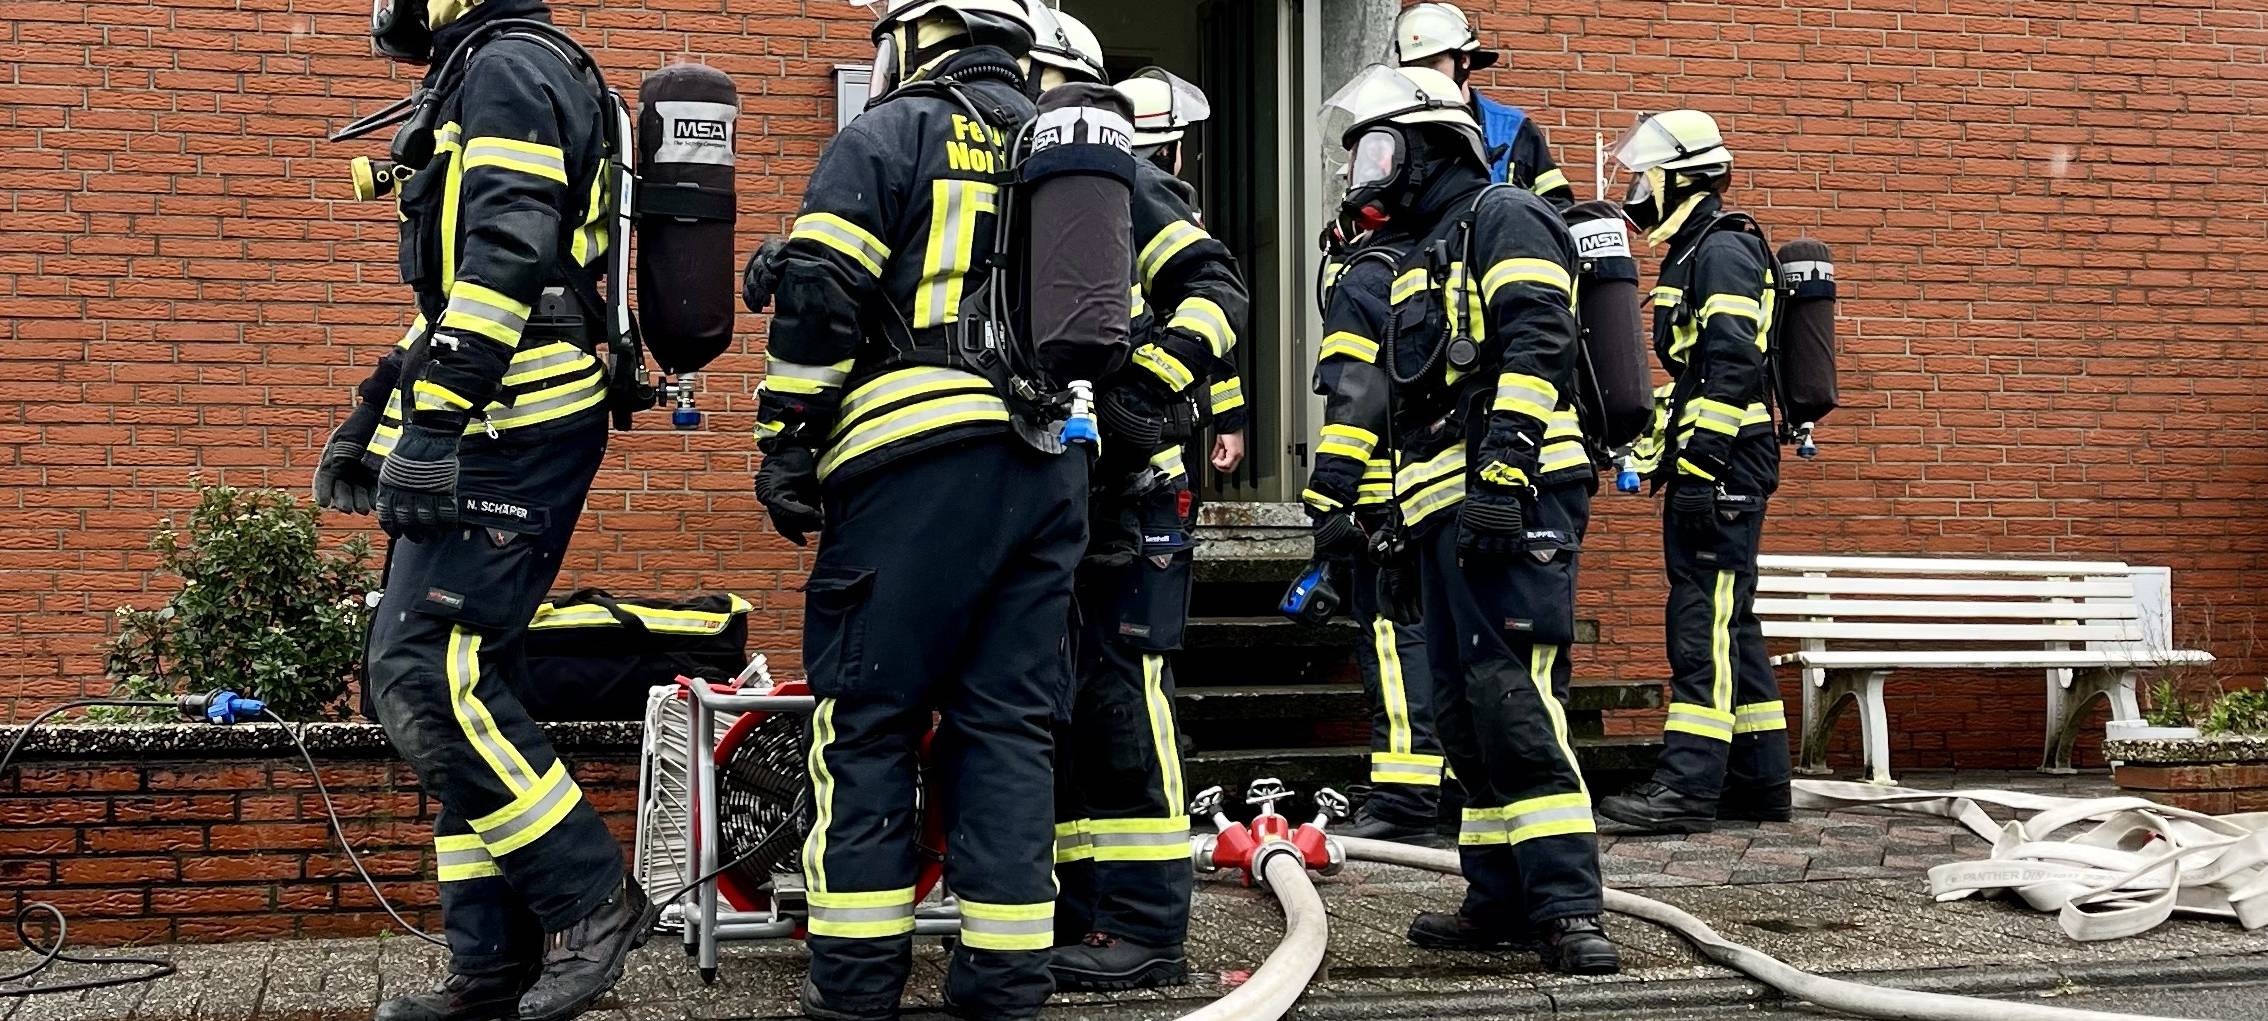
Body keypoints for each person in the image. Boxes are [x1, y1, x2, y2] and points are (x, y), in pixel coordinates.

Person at [748, 1, 1128, 1016]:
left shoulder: (890, 132)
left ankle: (856, 986)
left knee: (870, 719)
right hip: (1047, 469)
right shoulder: (1059, 145)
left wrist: (786, 438)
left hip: (909, 468)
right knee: (1008, 728)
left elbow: (822, 290)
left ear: (927, 33)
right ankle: (1005, 980)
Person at [313, 1, 649, 1019]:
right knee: (463, 675)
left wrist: (433, 423)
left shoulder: (509, 70)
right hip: (489, 419)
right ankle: (489, 964)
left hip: (519, 421)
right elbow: (454, 298)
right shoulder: (488, 70)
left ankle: (594, 899)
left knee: (426, 670)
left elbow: (509, 254)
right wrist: (375, 414)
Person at [1306, 63, 1618, 975]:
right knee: (1466, 709)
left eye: (1378, 150)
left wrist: (1505, 471)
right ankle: (1499, 897)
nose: (1365, 171)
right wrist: (1361, 513)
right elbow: (1395, 400)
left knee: (1516, 699)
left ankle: (1566, 903)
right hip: (1444, 510)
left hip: (1516, 497)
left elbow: (1539, 338)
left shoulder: (1503, 214)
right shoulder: (1413, 257)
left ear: (1430, 147)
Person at [1032, 15, 1252, 991]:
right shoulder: (1029, 180)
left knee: (1125, 701)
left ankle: (1149, 923)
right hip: (1063, 494)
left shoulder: (1124, 180)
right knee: (1069, 705)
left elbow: (1217, 298)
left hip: (1135, 491)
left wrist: (1147, 392)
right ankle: (1082, 912)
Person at [1595, 110, 1791, 835]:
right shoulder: (1696, 249)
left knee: (1700, 619)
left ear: (1677, 180)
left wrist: (1703, 463)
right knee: (1730, 618)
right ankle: (1759, 783)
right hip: (1722, 457)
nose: (1634, 191)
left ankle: (1686, 786)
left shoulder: (1721, 249)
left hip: (1725, 459)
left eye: (1644, 177)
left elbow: (1732, 359)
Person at [1390, 2, 1572, 204]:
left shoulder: (1512, 129)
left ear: (1463, 60)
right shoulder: (1392, 130)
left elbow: (1557, 206)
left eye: (1434, 63)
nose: (1425, 75)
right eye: (1416, 67)